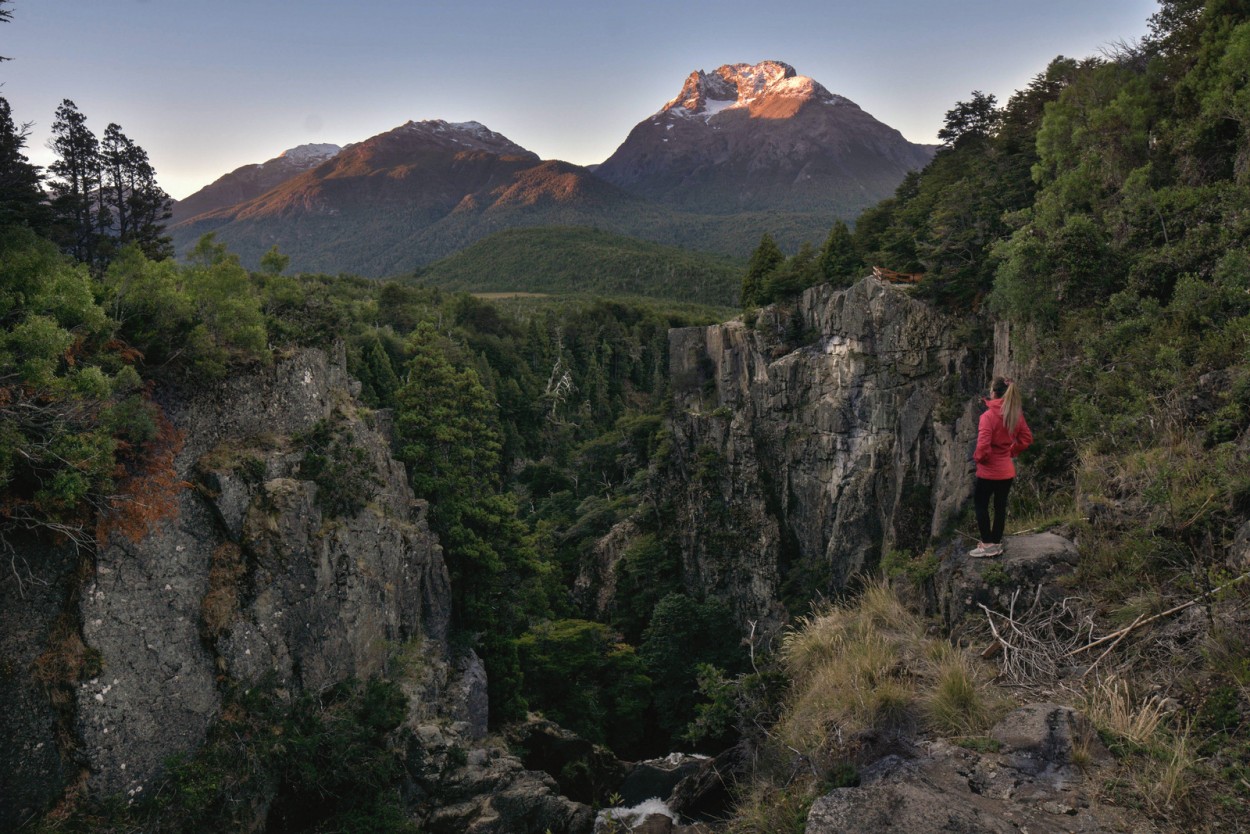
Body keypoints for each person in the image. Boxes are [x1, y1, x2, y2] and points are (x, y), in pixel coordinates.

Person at [969, 377, 1032, 558]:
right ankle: (995, 543)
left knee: (981, 505)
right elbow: (1026, 439)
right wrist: (1012, 451)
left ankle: (987, 544)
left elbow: (982, 446)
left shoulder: (987, 417)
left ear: (994, 393)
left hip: (989, 472)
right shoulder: (1015, 415)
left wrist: (979, 459)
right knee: (1000, 507)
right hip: (1006, 471)